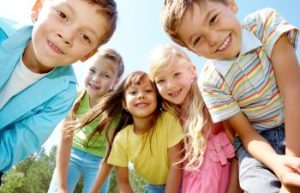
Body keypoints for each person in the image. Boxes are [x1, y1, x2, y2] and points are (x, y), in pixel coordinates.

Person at [161, 0, 300, 192]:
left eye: (213, 19)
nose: (213, 38)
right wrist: (278, 165)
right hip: (259, 142)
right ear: (193, 51)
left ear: (231, 4)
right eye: (197, 40)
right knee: (254, 181)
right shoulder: (210, 83)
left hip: (294, 118)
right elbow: (247, 135)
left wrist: (292, 168)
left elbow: (293, 91)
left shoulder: (264, 23)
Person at [0, 0, 118, 184]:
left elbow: (19, 143)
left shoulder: (64, 94)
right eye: (63, 15)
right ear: (37, 8)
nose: (67, 36)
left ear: (87, 55)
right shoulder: (2, 32)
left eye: (85, 37)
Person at [149, 44, 239, 193]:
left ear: (192, 71)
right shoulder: (170, 118)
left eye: (176, 74)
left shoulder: (210, 102)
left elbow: (237, 149)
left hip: (222, 181)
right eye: (161, 81)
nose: (170, 85)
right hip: (192, 184)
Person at [80, 71, 183, 193]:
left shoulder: (168, 120)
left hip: (182, 181)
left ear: (157, 97)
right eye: (133, 92)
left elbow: (176, 165)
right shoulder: (122, 139)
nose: (141, 95)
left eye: (148, 91)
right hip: (154, 188)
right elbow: (123, 182)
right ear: (124, 104)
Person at [47, 48, 124, 193]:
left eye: (105, 75)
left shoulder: (116, 110)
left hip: (99, 162)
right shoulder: (74, 97)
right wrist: (62, 187)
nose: (95, 78)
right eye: (92, 70)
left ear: (115, 82)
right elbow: (65, 138)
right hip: (72, 153)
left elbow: (110, 155)